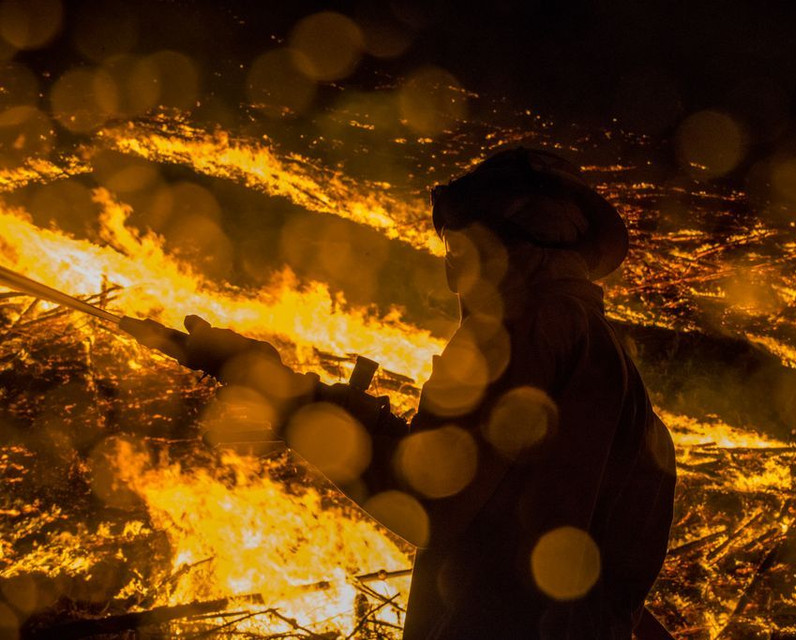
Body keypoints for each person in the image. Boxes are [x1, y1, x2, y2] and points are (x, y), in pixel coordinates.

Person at [184, 147, 676, 639]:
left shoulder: (513, 331)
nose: (452, 278)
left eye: (458, 253)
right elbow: (605, 585)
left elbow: (428, 505)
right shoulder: (622, 381)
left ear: (500, 246)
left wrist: (279, 394)